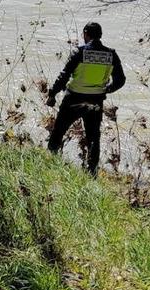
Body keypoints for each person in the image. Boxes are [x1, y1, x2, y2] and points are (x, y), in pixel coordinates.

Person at [46, 21, 126, 176]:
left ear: (85, 34)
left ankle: (50, 163)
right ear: (100, 36)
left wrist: (52, 94)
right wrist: (107, 89)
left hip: (74, 99)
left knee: (58, 132)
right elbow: (120, 80)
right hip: (95, 101)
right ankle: (92, 172)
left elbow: (64, 75)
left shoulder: (80, 52)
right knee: (93, 137)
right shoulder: (111, 54)